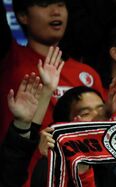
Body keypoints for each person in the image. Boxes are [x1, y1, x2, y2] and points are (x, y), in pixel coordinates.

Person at [0, 0, 103, 142]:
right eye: (44, 4)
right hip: (23, 161)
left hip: (80, 162)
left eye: (61, 4)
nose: (56, 11)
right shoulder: (11, 61)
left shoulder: (88, 74)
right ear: (23, 16)